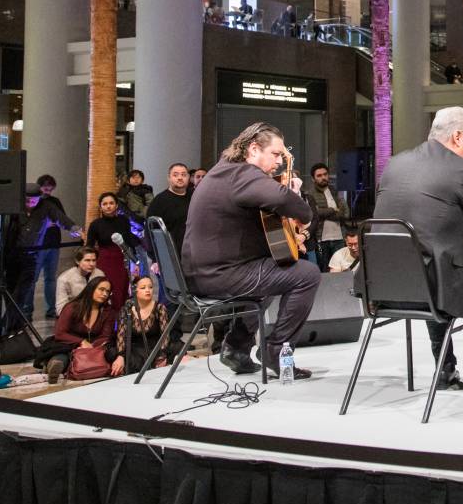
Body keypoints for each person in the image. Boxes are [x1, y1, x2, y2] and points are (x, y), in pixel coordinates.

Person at [373, 107, 463, 390]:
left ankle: (445, 370)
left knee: (430, 266)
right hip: (433, 291)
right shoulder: (462, 171)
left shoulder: (394, 163)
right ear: (456, 136)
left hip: (383, 288)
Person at [182, 122, 318, 378]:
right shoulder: (243, 175)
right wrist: (299, 203)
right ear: (254, 149)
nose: (279, 161)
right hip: (219, 275)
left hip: (202, 273)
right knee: (306, 274)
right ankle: (275, 351)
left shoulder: (224, 171)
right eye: (275, 154)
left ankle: (237, 349)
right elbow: (288, 203)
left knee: (271, 272)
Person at [35, 276, 118, 384]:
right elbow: (60, 333)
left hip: (94, 346)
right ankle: (55, 366)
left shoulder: (108, 312)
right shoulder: (72, 307)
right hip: (69, 343)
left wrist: (90, 347)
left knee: (104, 353)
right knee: (64, 355)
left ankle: (60, 366)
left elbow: (105, 336)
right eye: (101, 289)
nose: (105, 294)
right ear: (91, 288)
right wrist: (81, 342)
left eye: (108, 291)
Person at [110, 276, 188, 376]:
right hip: (135, 348)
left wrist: (162, 355)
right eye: (143, 288)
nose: (148, 290)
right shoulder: (127, 309)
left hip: (156, 346)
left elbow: (165, 335)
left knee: (177, 348)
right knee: (115, 353)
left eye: (150, 287)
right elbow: (121, 335)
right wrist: (120, 356)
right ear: (134, 290)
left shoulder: (160, 308)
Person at [32, 175, 80, 320]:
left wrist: (62, 224)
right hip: (38, 245)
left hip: (54, 242)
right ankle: (26, 310)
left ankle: (51, 309)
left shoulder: (55, 201)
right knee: (32, 278)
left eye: (50, 185)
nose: (47, 187)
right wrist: (45, 224)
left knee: (50, 278)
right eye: (44, 185)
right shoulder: (36, 202)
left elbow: (61, 219)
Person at [86, 191, 139, 313]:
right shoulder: (95, 224)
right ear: (101, 207)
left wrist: (135, 260)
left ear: (116, 205)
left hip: (121, 260)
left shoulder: (123, 220)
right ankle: (106, 322)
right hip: (104, 261)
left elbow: (129, 240)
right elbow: (90, 246)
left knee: (121, 291)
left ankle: (120, 325)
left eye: (111, 203)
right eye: (105, 204)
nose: (108, 206)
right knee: (106, 290)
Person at [303, 163, 350, 269]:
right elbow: (312, 214)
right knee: (323, 270)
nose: (323, 177)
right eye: (319, 176)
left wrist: (324, 213)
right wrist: (332, 210)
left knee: (340, 269)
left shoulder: (334, 191)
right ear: (313, 179)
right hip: (321, 239)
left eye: (325, 174)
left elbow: (346, 213)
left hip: (339, 237)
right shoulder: (309, 194)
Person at [146, 163, 193, 257]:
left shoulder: (195, 196)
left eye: (183, 175)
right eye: (175, 175)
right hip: (171, 254)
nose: (180, 178)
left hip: (193, 253)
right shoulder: (160, 201)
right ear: (169, 177)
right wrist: (155, 258)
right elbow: (150, 231)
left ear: (188, 177)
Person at [56, 247, 106, 312]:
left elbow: (106, 301)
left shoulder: (99, 274)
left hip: (96, 314)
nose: (91, 264)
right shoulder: (64, 279)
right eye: (87, 260)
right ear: (77, 261)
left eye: (94, 260)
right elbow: (60, 309)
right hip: (75, 316)